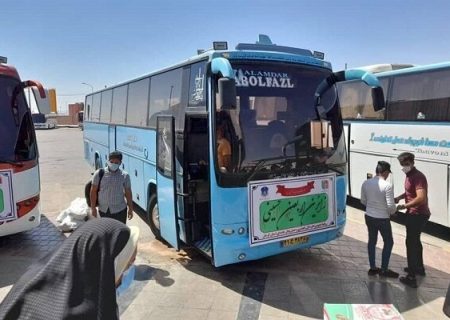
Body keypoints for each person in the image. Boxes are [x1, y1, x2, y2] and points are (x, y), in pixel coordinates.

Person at [0, 219, 130, 320]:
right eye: (126, 265)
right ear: (103, 261)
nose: (125, 273)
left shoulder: (39, 272)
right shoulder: (80, 312)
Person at [395, 152, 431, 288]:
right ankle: (418, 268)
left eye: (405, 164)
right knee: (415, 241)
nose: (403, 167)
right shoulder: (409, 176)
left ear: (412, 162)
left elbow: (421, 198)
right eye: (402, 165)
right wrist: (399, 197)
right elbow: (410, 192)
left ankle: (411, 276)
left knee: (411, 243)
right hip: (414, 213)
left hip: (418, 214)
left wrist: (404, 206)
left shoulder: (418, 177)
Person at [360, 161, 399, 278]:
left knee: (372, 241)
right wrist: (394, 212)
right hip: (382, 219)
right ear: (385, 172)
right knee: (388, 242)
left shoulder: (366, 183)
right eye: (388, 173)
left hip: (369, 216)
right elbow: (390, 206)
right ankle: (384, 269)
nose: (388, 175)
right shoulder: (387, 186)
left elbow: (363, 201)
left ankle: (372, 268)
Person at [90, 151, 133, 224]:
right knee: (106, 233)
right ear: (108, 161)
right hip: (104, 211)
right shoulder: (99, 173)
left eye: (116, 162)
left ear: (120, 163)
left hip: (120, 211)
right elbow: (93, 191)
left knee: (120, 233)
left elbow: (128, 193)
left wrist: (130, 209)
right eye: (111, 162)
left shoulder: (125, 176)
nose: (113, 164)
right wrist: (93, 208)